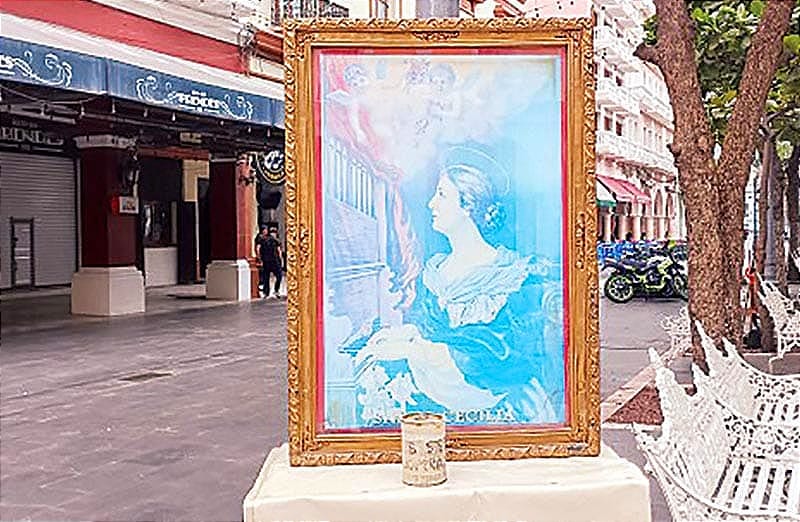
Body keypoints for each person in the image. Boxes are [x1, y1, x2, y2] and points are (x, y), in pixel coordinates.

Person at [353, 147, 561, 425]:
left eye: (441, 195)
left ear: (468, 206)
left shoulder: (512, 276)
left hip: (500, 409)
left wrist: (416, 350)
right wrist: (410, 333)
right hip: (438, 403)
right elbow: (440, 331)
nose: (431, 204)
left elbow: (499, 360)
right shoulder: (436, 270)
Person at [260, 225, 283, 298]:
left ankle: (266, 293)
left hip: (267, 261)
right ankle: (275, 291)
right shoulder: (276, 240)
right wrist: (281, 260)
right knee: (278, 276)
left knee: (266, 277)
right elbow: (279, 251)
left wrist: (260, 258)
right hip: (274, 261)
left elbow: (258, 249)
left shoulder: (263, 239)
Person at [254, 226, 269, 293]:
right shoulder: (260, 238)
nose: (266, 231)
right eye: (265, 230)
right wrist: (259, 257)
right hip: (263, 257)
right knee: (263, 272)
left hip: (265, 257)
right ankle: (262, 285)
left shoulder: (263, 237)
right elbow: (258, 248)